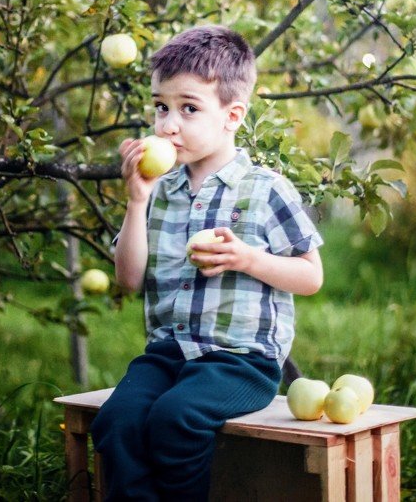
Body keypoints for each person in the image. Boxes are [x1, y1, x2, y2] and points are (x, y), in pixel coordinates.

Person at [90, 25, 325, 501]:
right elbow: (128, 278)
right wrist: (136, 201)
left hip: (241, 361)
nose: (167, 125)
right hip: (168, 353)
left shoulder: (265, 189)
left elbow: (311, 276)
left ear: (232, 116)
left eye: (189, 109)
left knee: (175, 419)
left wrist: (248, 259)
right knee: (117, 420)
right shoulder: (159, 191)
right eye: (161, 107)